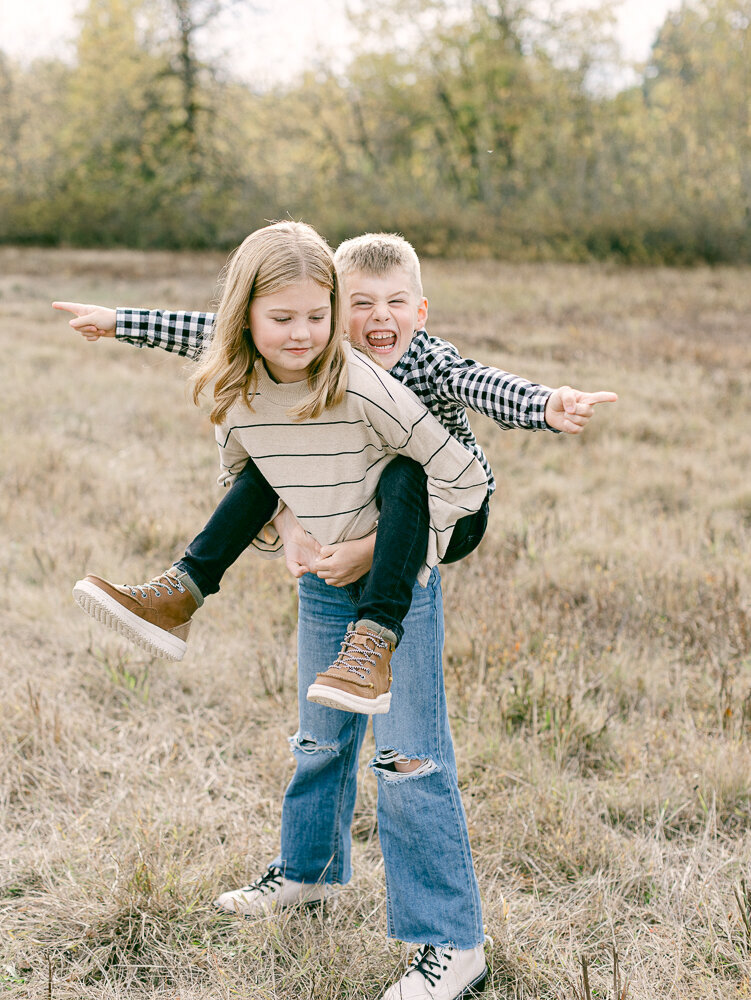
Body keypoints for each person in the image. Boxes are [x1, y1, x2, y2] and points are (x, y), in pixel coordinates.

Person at [58, 221, 495, 1000]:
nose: (304, 331)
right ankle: (309, 872)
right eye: (283, 317)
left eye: (316, 316)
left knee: (407, 762)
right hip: (323, 575)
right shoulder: (257, 376)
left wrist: (375, 550)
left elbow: (460, 474)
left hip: (403, 575)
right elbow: (240, 436)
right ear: (252, 320)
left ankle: (450, 944)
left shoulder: (370, 379)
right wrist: (286, 519)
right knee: (318, 739)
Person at [55, 233, 616, 719]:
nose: (379, 317)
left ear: (419, 313)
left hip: (450, 509)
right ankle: (182, 591)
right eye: (361, 303)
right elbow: (216, 329)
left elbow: (478, 383)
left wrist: (544, 403)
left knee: (404, 470)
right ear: (336, 307)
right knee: (272, 461)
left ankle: (375, 635)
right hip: (356, 499)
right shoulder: (325, 351)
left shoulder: (426, 362)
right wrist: (116, 323)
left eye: (397, 302)